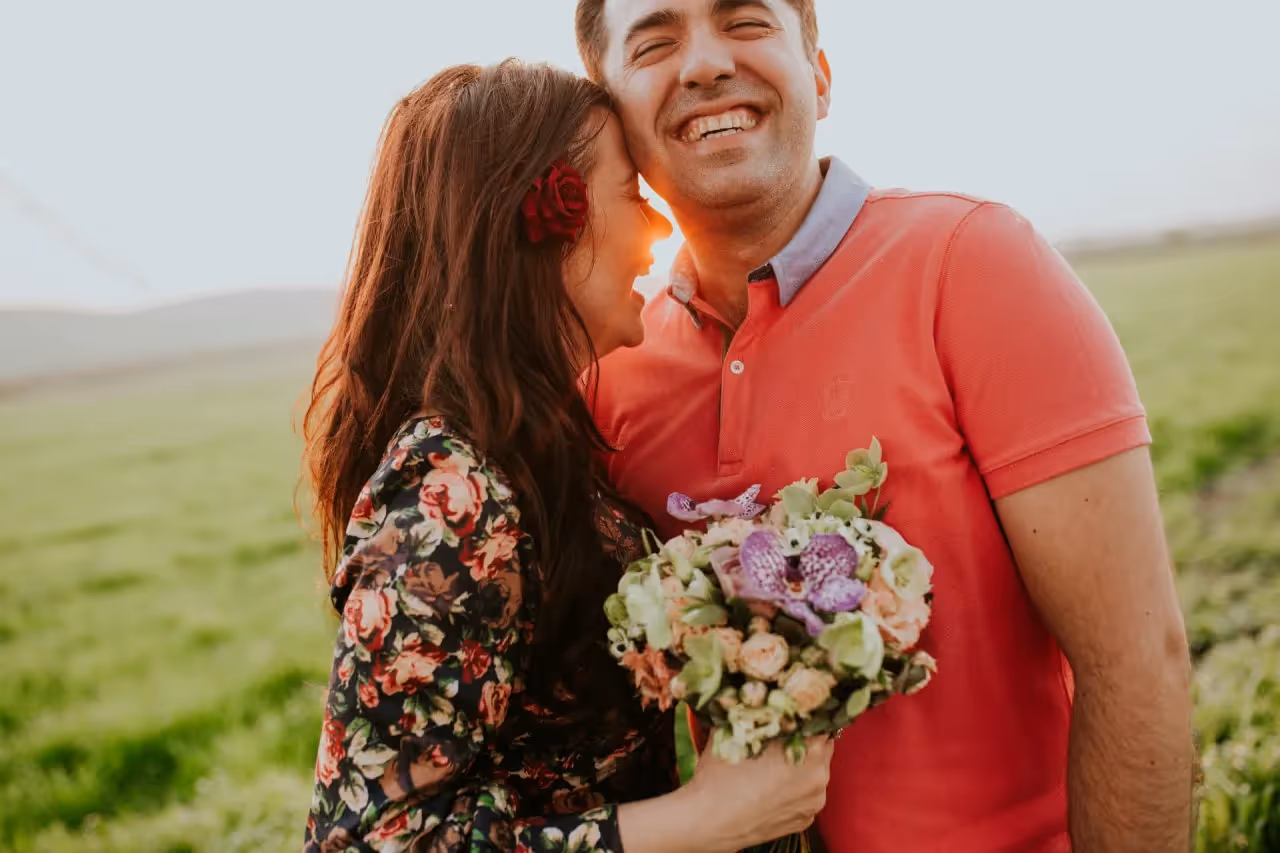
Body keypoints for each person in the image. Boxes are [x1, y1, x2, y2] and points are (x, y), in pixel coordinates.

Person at [576, 1, 1196, 851]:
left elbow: (1136, 664)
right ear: (608, 114)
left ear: (820, 79)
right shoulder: (611, 372)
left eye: (747, 22)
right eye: (655, 42)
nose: (705, 64)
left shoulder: (974, 261)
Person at [300, 60, 834, 853]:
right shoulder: (454, 491)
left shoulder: (532, 444)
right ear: (544, 221)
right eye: (629, 193)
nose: (657, 226)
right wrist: (704, 820)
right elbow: (368, 841)